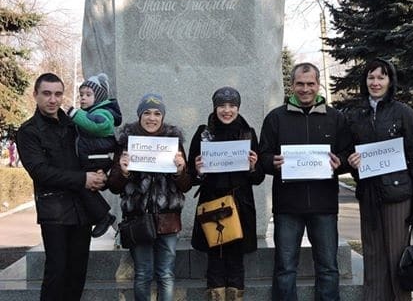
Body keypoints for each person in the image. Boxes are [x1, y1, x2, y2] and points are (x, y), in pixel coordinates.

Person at [258, 62, 351, 301]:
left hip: (324, 206)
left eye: (310, 84)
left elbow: (348, 155)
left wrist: (339, 161)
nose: (305, 89)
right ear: (292, 85)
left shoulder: (335, 118)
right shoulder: (276, 118)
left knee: (328, 268)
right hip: (288, 207)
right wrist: (272, 162)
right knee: (285, 268)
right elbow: (263, 156)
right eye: (300, 83)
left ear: (318, 85)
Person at [16, 72, 107, 301]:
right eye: (46, 94)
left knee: (77, 274)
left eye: (58, 94)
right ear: (35, 95)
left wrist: (100, 172)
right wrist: (83, 179)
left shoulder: (74, 124)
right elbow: (40, 172)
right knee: (57, 272)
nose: (53, 99)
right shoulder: (28, 131)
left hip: (82, 210)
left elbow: (90, 152)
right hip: (54, 211)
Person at [345, 58, 413, 301]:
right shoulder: (356, 114)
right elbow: (351, 153)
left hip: (397, 196)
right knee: (373, 259)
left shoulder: (403, 113)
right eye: (371, 77)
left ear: (390, 81)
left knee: (396, 259)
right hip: (368, 195)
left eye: (381, 77)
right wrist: (353, 164)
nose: (375, 82)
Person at [108, 93, 191, 301]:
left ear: (162, 117)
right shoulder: (126, 143)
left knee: (166, 274)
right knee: (143, 274)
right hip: (138, 220)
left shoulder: (174, 142)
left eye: (156, 113)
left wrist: (181, 170)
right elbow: (114, 186)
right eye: (147, 113)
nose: (152, 118)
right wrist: (123, 171)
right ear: (139, 115)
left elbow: (186, 185)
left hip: (168, 221)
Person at [188, 86, 265, 301]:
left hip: (240, 204)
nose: (227, 110)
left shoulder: (248, 133)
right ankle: (215, 296)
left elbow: (258, 178)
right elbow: (191, 175)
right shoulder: (204, 133)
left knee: (236, 257)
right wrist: (198, 170)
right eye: (222, 105)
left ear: (238, 108)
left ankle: (235, 296)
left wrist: (252, 166)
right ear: (215, 107)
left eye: (232, 106)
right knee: (215, 255)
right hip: (212, 203)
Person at [66, 73, 122, 238]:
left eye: (88, 95)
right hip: (92, 157)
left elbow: (99, 127)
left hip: (98, 157)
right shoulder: (91, 112)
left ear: (99, 97)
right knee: (83, 186)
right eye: (81, 95)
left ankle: (103, 216)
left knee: (79, 183)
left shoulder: (103, 113)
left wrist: (75, 115)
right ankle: (101, 216)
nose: (83, 98)